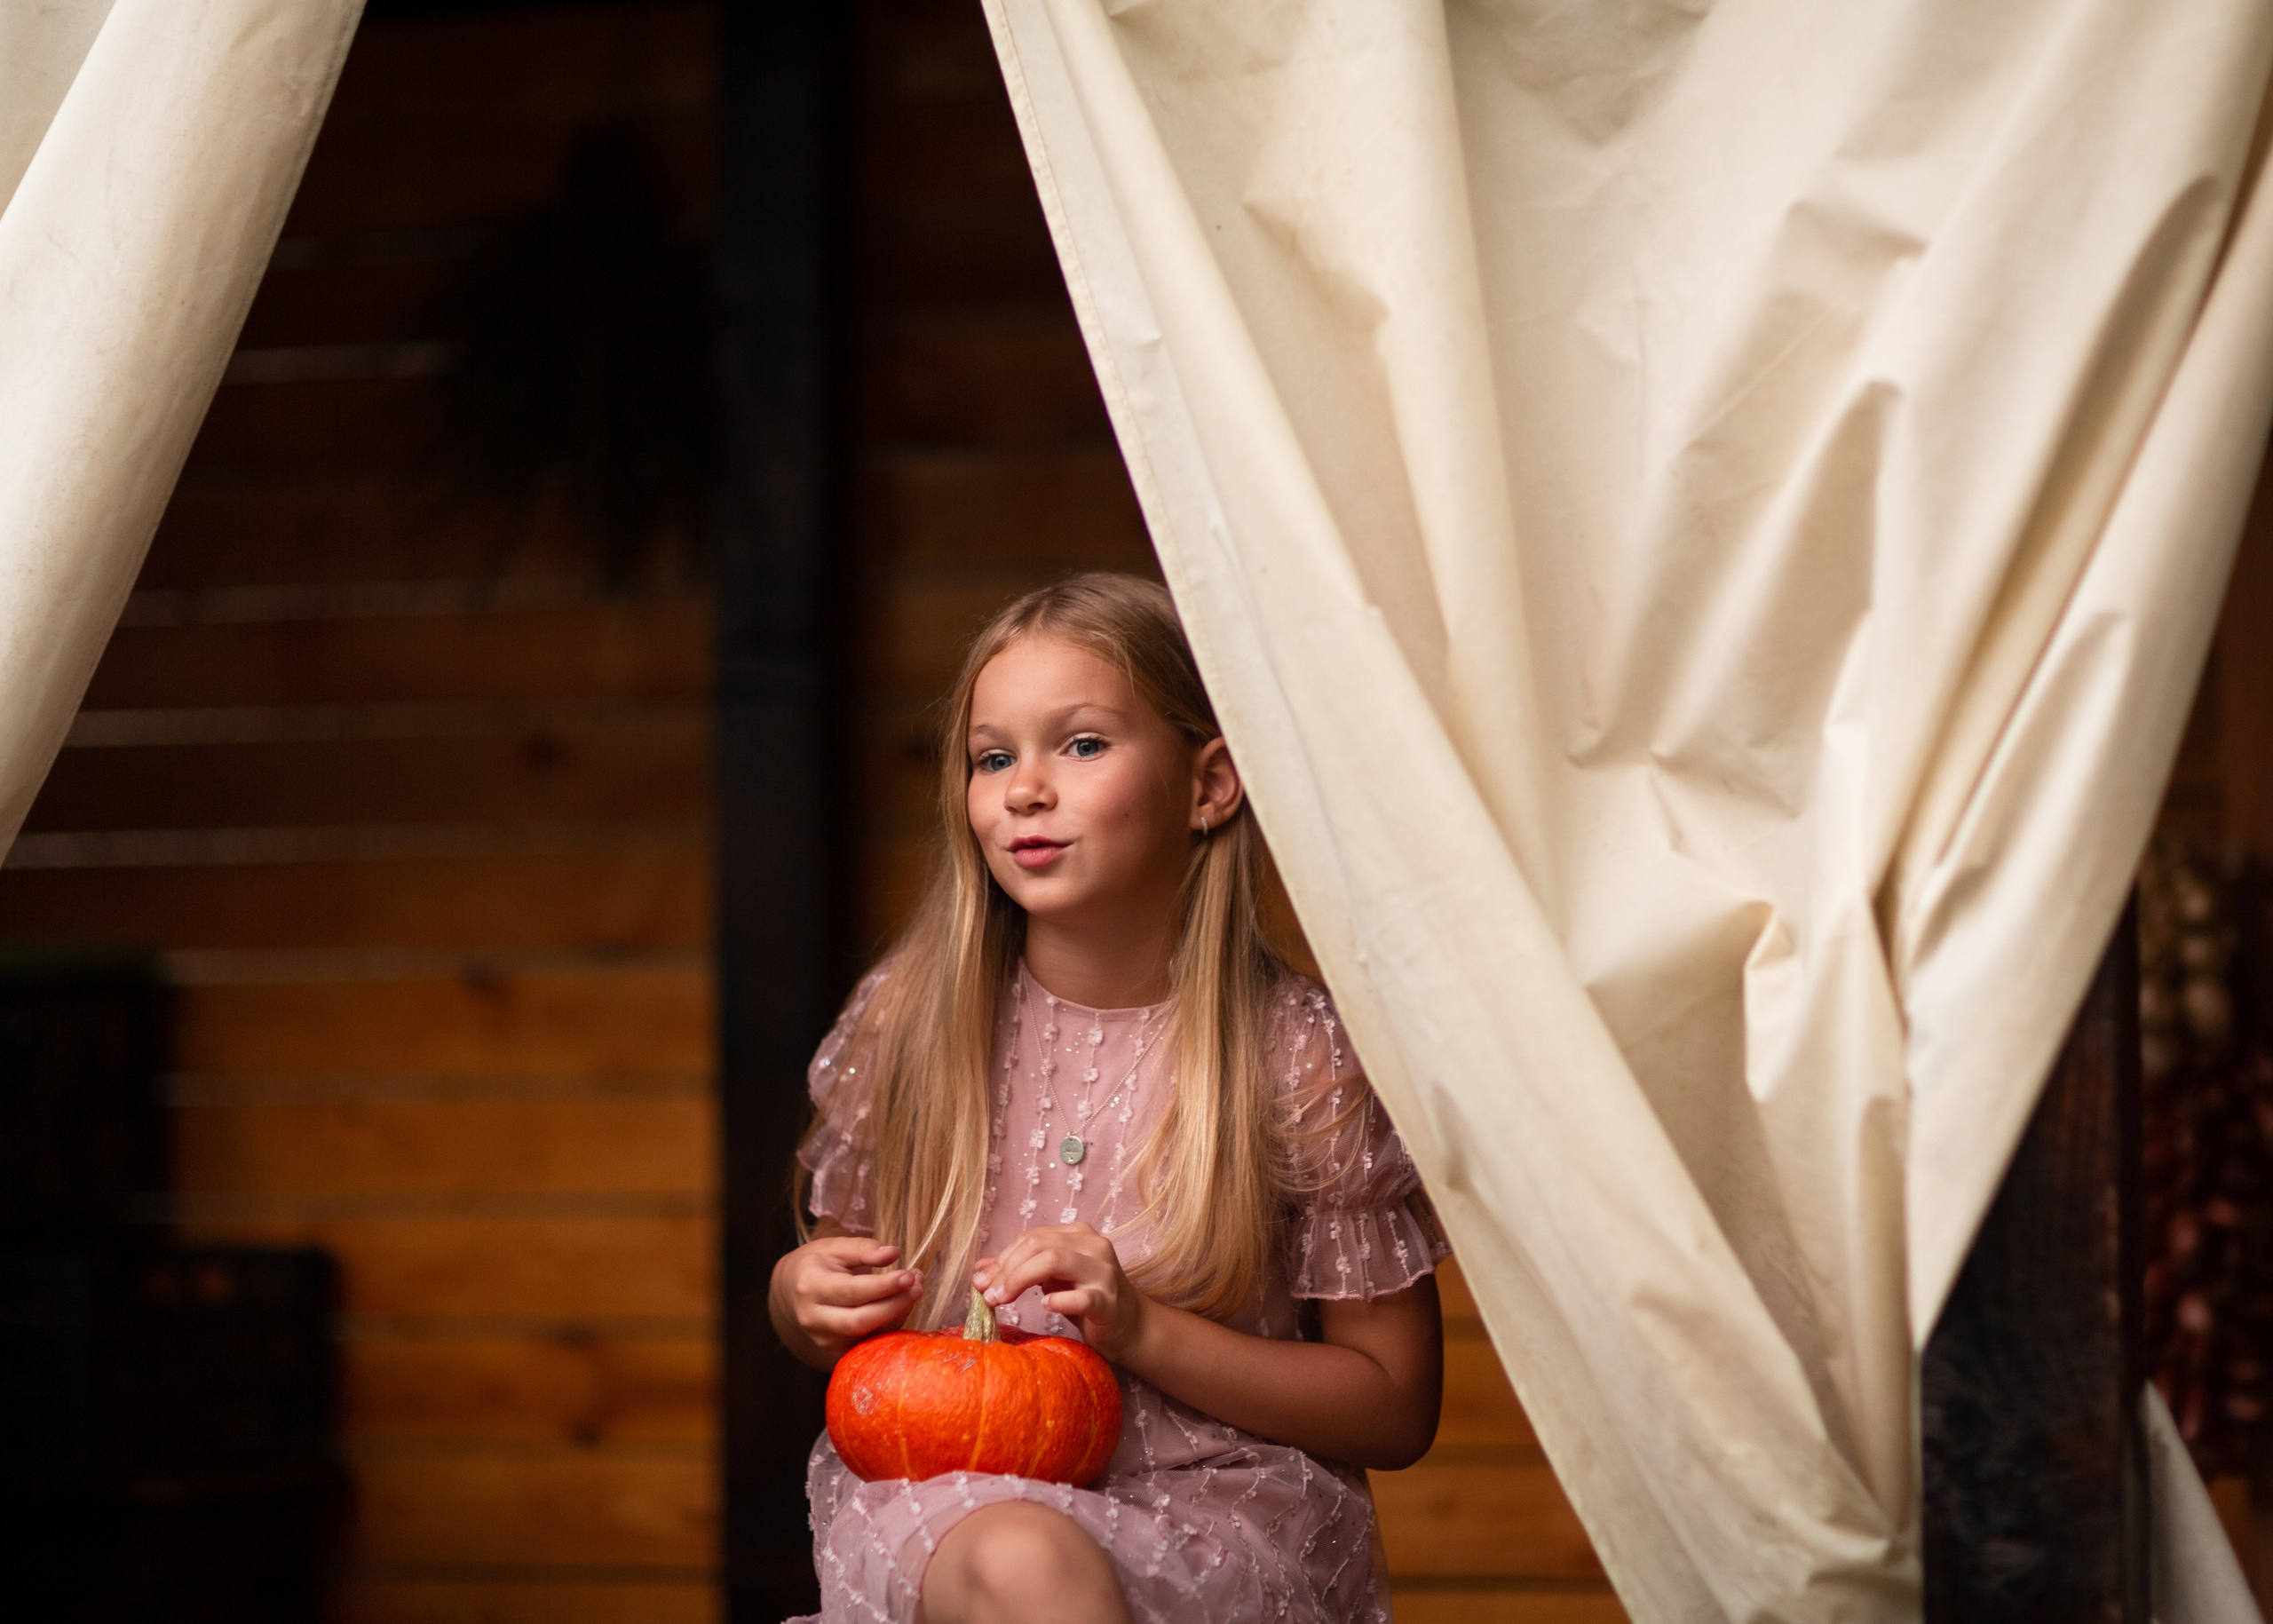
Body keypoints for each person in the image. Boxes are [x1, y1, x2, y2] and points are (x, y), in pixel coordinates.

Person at [770, 573, 1448, 1624]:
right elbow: (852, 1325)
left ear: (1208, 784)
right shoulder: (912, 1022)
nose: (1025, 789)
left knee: (1040, 1569)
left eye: (1080, 745)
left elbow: (1395, 1407)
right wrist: (800, 1295)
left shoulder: (1295, 1055)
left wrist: (1141, 1327)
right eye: (993, 757)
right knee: (1021, 1558)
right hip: (952, 1504)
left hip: (1221, 1518)